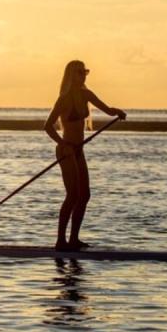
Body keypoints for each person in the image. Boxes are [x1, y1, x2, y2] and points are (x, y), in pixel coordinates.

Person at [44, 60, 126, 251]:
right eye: (80, 72)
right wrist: (62, 143)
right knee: (72, 195)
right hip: (66, 150)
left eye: (85, 72)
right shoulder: (63, 99)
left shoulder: (86, 94)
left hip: (79, 150)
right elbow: (48, 126)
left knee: (85, 195)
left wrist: (118, 112)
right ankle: (60, 241)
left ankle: (74, 239)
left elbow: (106, 109)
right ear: (72, 75)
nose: (83, 76)